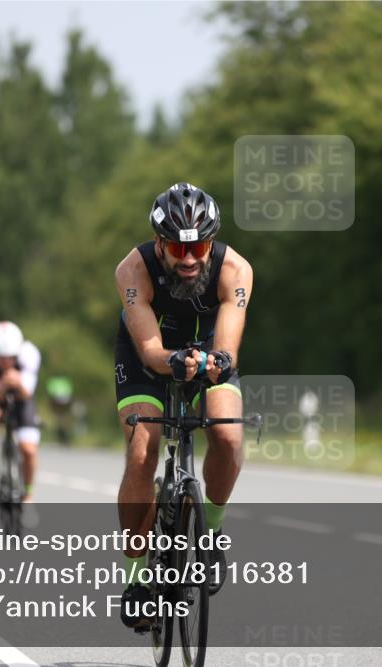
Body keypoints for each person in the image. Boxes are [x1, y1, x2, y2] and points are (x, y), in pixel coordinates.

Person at [114, 183, 253, 629]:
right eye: (178, 247)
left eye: (200, 246)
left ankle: (209, 534)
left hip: (209, 348)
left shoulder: (235, 269)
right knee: (142, 451)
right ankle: (136, 578)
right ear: (160, 243)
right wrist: (171, 361)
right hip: (148, 355)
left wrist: (218, 362)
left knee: (229, 437)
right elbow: (151, 349)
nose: (190, 258)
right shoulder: (132, 270)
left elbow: (228, 344)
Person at [0, 321, 42, 502]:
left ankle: (27, 495)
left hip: (22, 396)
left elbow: (27, 392)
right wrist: (4, 384)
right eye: (0, 358)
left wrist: (17, 383)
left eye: (10, 357)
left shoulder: (29, 353)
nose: (5, 362)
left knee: (28, 450)